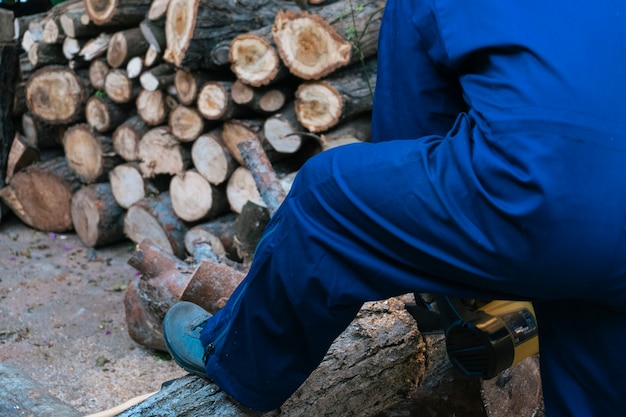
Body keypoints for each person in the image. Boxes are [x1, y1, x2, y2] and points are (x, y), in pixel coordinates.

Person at [162, 0, 626, 415]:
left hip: (538, 198)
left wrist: (435, 268)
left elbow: (411, 133)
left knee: (326, 199)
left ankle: (235, 360)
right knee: (596, 346)